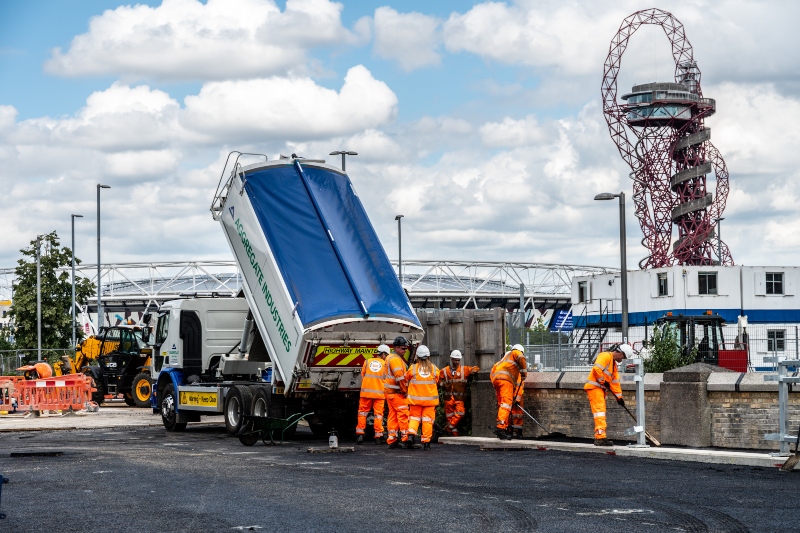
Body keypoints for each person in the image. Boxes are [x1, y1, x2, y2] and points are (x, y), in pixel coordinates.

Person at [584, 343, 633, 446]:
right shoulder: (605, 355)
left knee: (601, 413)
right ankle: (600, 438)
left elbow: (615, 383)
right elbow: (596, 369)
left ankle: (601, 436)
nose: (622, 360)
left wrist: (619, 398)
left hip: (600, 389)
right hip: (595, 388)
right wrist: (603, 381)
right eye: (624, 357)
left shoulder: (614, 365)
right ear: (621, 353)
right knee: (599, 412)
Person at [490, 344, 527, 440]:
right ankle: (501, 428)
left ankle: (502, 428)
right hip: (506, 381)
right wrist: (524, 374)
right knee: (506, 405)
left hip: (497, 381)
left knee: (502, 405)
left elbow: (492, 372)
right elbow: (521, 357)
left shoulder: (500, 363)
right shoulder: (516, 352)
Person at [405, 345, 439, 450]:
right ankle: (426, 443)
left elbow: (407, 378)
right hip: (429, 402)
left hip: (415, 401)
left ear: (417, 357)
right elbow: (437, 380)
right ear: (428, 356)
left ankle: (411, 435)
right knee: (427, 421)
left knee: (414, 419)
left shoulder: (413, 368)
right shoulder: (434, 369)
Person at [438, 350, 479, 436]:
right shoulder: (445, 371)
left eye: (458, 360)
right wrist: (442, 384)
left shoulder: (464, 369)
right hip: (448, 398)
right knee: (449, 416)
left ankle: (448, 428)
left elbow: (476, 368)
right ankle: (453, 434)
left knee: (460, 412)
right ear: (451, 359)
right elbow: (437, 377)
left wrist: (473, 371)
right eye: (455, 360)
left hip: (459, 398)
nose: (457, 362)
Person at [356, 344, 388, 445]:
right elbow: (387, 379)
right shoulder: (385, 365)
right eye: (386, 355)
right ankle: (378, 437)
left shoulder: (367, 361)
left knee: (362, 413)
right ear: (383, 354)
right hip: (379, 394)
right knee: (378, 415)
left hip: (366, 393)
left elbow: (363, 375)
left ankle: (360, 434)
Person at [384, 336, 411, 449]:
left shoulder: (391, 358)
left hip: (390, 393)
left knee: (393, 416)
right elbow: (399, 377)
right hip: (397, 393)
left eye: (405, 348)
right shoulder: (395, 359)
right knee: (403, 414)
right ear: (395, 347)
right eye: (402, 348)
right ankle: (405, 439)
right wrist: (405, 390)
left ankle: (392, 439)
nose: (405, 351)